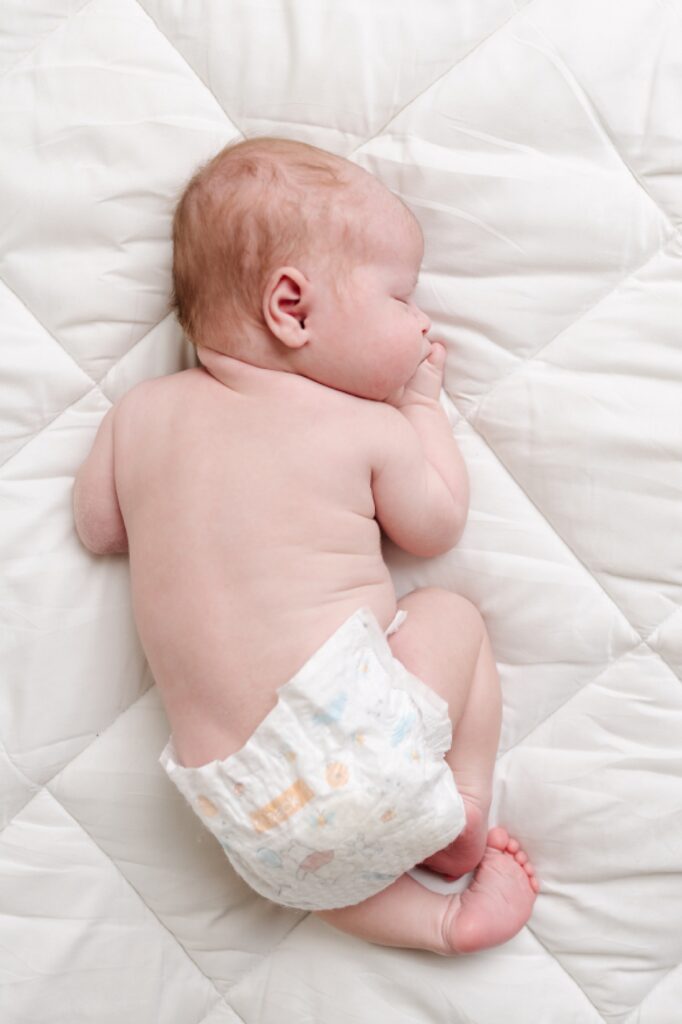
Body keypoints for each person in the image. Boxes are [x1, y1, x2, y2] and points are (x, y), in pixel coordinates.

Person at [73, 137, 538, 955]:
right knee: (451, 612)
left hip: (245, 809)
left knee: (313, 873)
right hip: (361, 740)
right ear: (292, 308)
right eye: (401, 298)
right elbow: (436, 526)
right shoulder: (364, 426)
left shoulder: (139, 414)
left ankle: (438, 923)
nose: (421, 319)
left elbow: (99, 529)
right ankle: (461, 808)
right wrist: (423, 409)